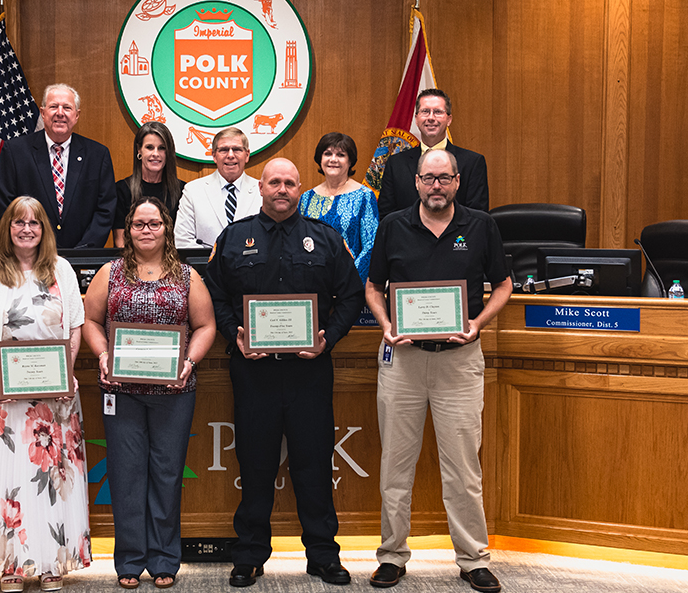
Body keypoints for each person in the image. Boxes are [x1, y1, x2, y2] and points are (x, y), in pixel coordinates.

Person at [205, 158, 365, 588]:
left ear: (300, 190)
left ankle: (323, 555)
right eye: (274, 182)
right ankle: (250, 555)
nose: (281, 189)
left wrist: (326, 339)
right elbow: (214, 296)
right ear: (261, 188)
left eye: (290, 183)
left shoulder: (326, 239)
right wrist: (233, 334)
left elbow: (350, 296)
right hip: (253, 371)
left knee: (313, 464)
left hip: (308, 372)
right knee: (254, 463)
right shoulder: (234, 238)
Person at [364, 150, 512, 592]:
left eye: (444, 179)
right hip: (403, 360)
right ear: (416, 182)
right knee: (395, 464)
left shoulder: (481, 225)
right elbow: (373, 286)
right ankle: (392, 556)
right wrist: (387, 325)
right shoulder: (393, 225)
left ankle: (473, 559)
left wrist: (478, 323)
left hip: (460, 360)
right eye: (428, 178)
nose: (436, 186)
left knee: (463, 467)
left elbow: (503, 284)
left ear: (457, 181)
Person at [82, 197, 217, 590]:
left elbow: (205, 325)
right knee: (125, 476)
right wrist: (103, 354)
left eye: (154, 223)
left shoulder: (187, 277)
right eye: (139, 224)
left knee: (166, 474)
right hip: (120, 391)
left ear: (166, 228)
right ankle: (129, 560)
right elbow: (90, 320)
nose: (146, 230)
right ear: (128, 229)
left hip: (174, 391)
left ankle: (163, 560)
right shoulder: (110, 272)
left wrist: (188, 363)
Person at [0, 195, 91, 592]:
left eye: (35, 222)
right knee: (6, 474)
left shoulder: (61, 270)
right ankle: (11, 564)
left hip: (51, 396)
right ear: (7, 228)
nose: (27, 228)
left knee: (50, 474)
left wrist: (64, 374)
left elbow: (75, 328)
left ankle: (51, 561)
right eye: (19, 222)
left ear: (44, 229)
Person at [0, 84, 116, 248]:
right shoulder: (16, 152)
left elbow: (105, 210)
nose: (60, 113)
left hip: (82, 257)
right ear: (43, 113)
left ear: (76, 115)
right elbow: (8, 206)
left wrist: (83, 250)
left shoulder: (97, 155)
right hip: (31, 255)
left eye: (67, 107)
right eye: (53, 107)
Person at [377, 88, 489, 221]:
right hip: (407, 240)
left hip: (455, 239)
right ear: (416, 119)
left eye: (437, 112)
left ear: (449, 119)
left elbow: (477, 217)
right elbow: (387, 217)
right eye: (425, 111)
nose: (431, 118)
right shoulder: (396, 164)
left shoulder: (473, 163)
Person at [298, 132, 379, 281]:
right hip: (311, 282)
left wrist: (347, 279)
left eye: (341, 155)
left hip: (350, 284)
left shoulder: (365, 196)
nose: (333, 159)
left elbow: (370, 246)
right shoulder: (306, 198)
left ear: (350, 161)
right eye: (327, 154)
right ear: (320, 159)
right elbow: (297, 241)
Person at [174, 128, 261, 248]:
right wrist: (216, 261)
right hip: (206, 266)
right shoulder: (193, 191)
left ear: (247, 155)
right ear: (214, 156)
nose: (230, 155)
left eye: (237, 149)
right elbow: (183, 241)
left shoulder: (262, 191)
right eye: (224, 150)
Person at [113, 123, 185, 247]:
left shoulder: (183, 191)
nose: (155, 153)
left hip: (172, 263)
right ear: (139, 150)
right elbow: (121, 243)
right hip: (132, 263)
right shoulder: (121, 190)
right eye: (149, 147)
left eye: (162, 148)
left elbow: (183, 241)